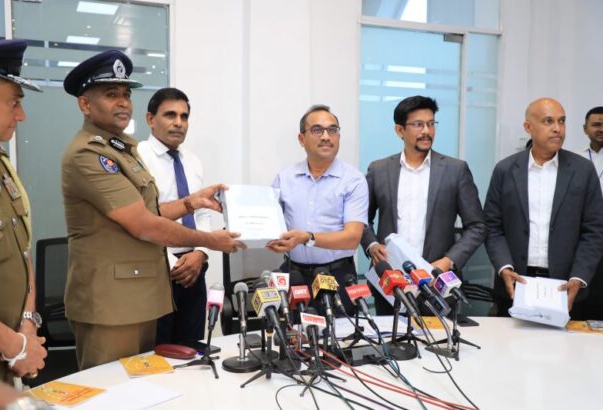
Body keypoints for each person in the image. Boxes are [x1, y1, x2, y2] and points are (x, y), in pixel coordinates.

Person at [61, 50, 245, 370]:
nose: (123, 102)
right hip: (113, 301)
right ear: (85, 104)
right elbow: (145, 224)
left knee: (160, 378)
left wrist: (192, 205)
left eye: (126, 94)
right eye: (111, 94)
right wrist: (212, 241)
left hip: (142, 295)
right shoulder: (90, 154)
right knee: (112, 387)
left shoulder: (124, 149)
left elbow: (152, 211)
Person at [361, 95, 486, 314]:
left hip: (437, 280)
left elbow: (477, 226)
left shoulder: (455, 170)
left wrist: (448, 261)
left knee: (438, 335)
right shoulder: (379, 170)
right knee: (392, 335)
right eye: (418, 124)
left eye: (431, 124)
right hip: (391, 280)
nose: (427, 131)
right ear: (400, 130)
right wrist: (371, 245)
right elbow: (361, 218)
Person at [484, 98, 603, 318]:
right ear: (528, 127)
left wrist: (579, 276)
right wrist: (504, 267)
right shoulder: (505, 169)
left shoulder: (583, 170)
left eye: (562, 121)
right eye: (548, 121)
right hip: (515, 283)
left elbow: (594, 230)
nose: (557, 128)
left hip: (566, 286)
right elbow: (492, 227)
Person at [267, 104, 368, 313]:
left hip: (336, 276)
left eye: (332, 130)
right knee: (292, 332)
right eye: (317, 130)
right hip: (294, 275)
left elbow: (352, 237)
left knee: (340, 332)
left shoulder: (353, 180)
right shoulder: (285, 178)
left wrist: (308, 237)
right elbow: (269, 222)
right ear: (301, 139)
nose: (326, 136)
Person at [0, 39, 47, 382]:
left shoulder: (0, 164)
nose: (21, 115)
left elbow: (22, 253)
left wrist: (27, 323)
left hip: (4, 361)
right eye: (14, 102)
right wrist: (16, 346)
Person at [137, 88, 211, 345]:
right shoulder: (138, 157)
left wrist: (200, 252)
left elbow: (203, 212)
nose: (179, 122)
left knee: (192, 350)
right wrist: (175, 264)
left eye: (184, 116)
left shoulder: (193, 161)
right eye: (170, 115)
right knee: (157, 351)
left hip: (195, 267)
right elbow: (141, 219)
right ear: (150, 119)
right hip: (157, 268)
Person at [579, 106, 603, 319]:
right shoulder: (576, 161)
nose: (601, 129)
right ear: (585, 128)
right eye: (596, 125)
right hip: (584, 234)